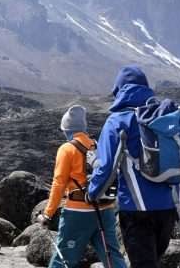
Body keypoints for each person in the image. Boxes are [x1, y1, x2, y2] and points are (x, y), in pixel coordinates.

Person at [87, 65, 178, 268]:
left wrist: (92, 194)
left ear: (120, 91)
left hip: (138, 210)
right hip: (169, 208)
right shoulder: (164, 118)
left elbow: (106, 168)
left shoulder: (118, 120)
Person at [37, 105, 126, 268]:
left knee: (64, 257)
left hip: (78, 212)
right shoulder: (98, 145)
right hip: (105, 208)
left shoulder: (67, 149)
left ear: (67, 129)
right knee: (112, 256)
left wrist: (47, 214)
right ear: (83, 128)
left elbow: (59, 184)